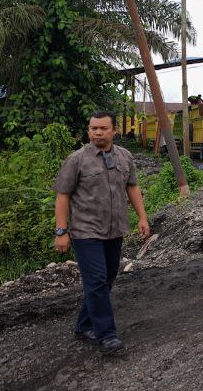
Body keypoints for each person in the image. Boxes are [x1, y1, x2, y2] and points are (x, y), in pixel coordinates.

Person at [53, 110, 151, 355]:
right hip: (86, 231)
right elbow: (62, 196)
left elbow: (133, 187)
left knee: (107, 278)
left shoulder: (125, 157)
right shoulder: (77, 159)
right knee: (96, 280)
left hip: (114, 229)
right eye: (93, 128)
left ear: (113, 131)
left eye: (103, 128)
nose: (97, 132)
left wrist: (142, 217)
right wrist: (61, 231)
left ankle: (83, 325)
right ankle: (107, 335)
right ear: (89, 130)